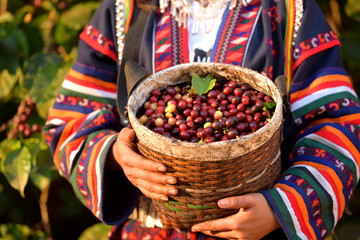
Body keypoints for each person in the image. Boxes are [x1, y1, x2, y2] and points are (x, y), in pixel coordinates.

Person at [44, 0, 360, 239]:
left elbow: (337, 125)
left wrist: (281, 207)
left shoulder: (290, 12)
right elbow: (73, 119)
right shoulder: (124, 10)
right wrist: (115, 155)